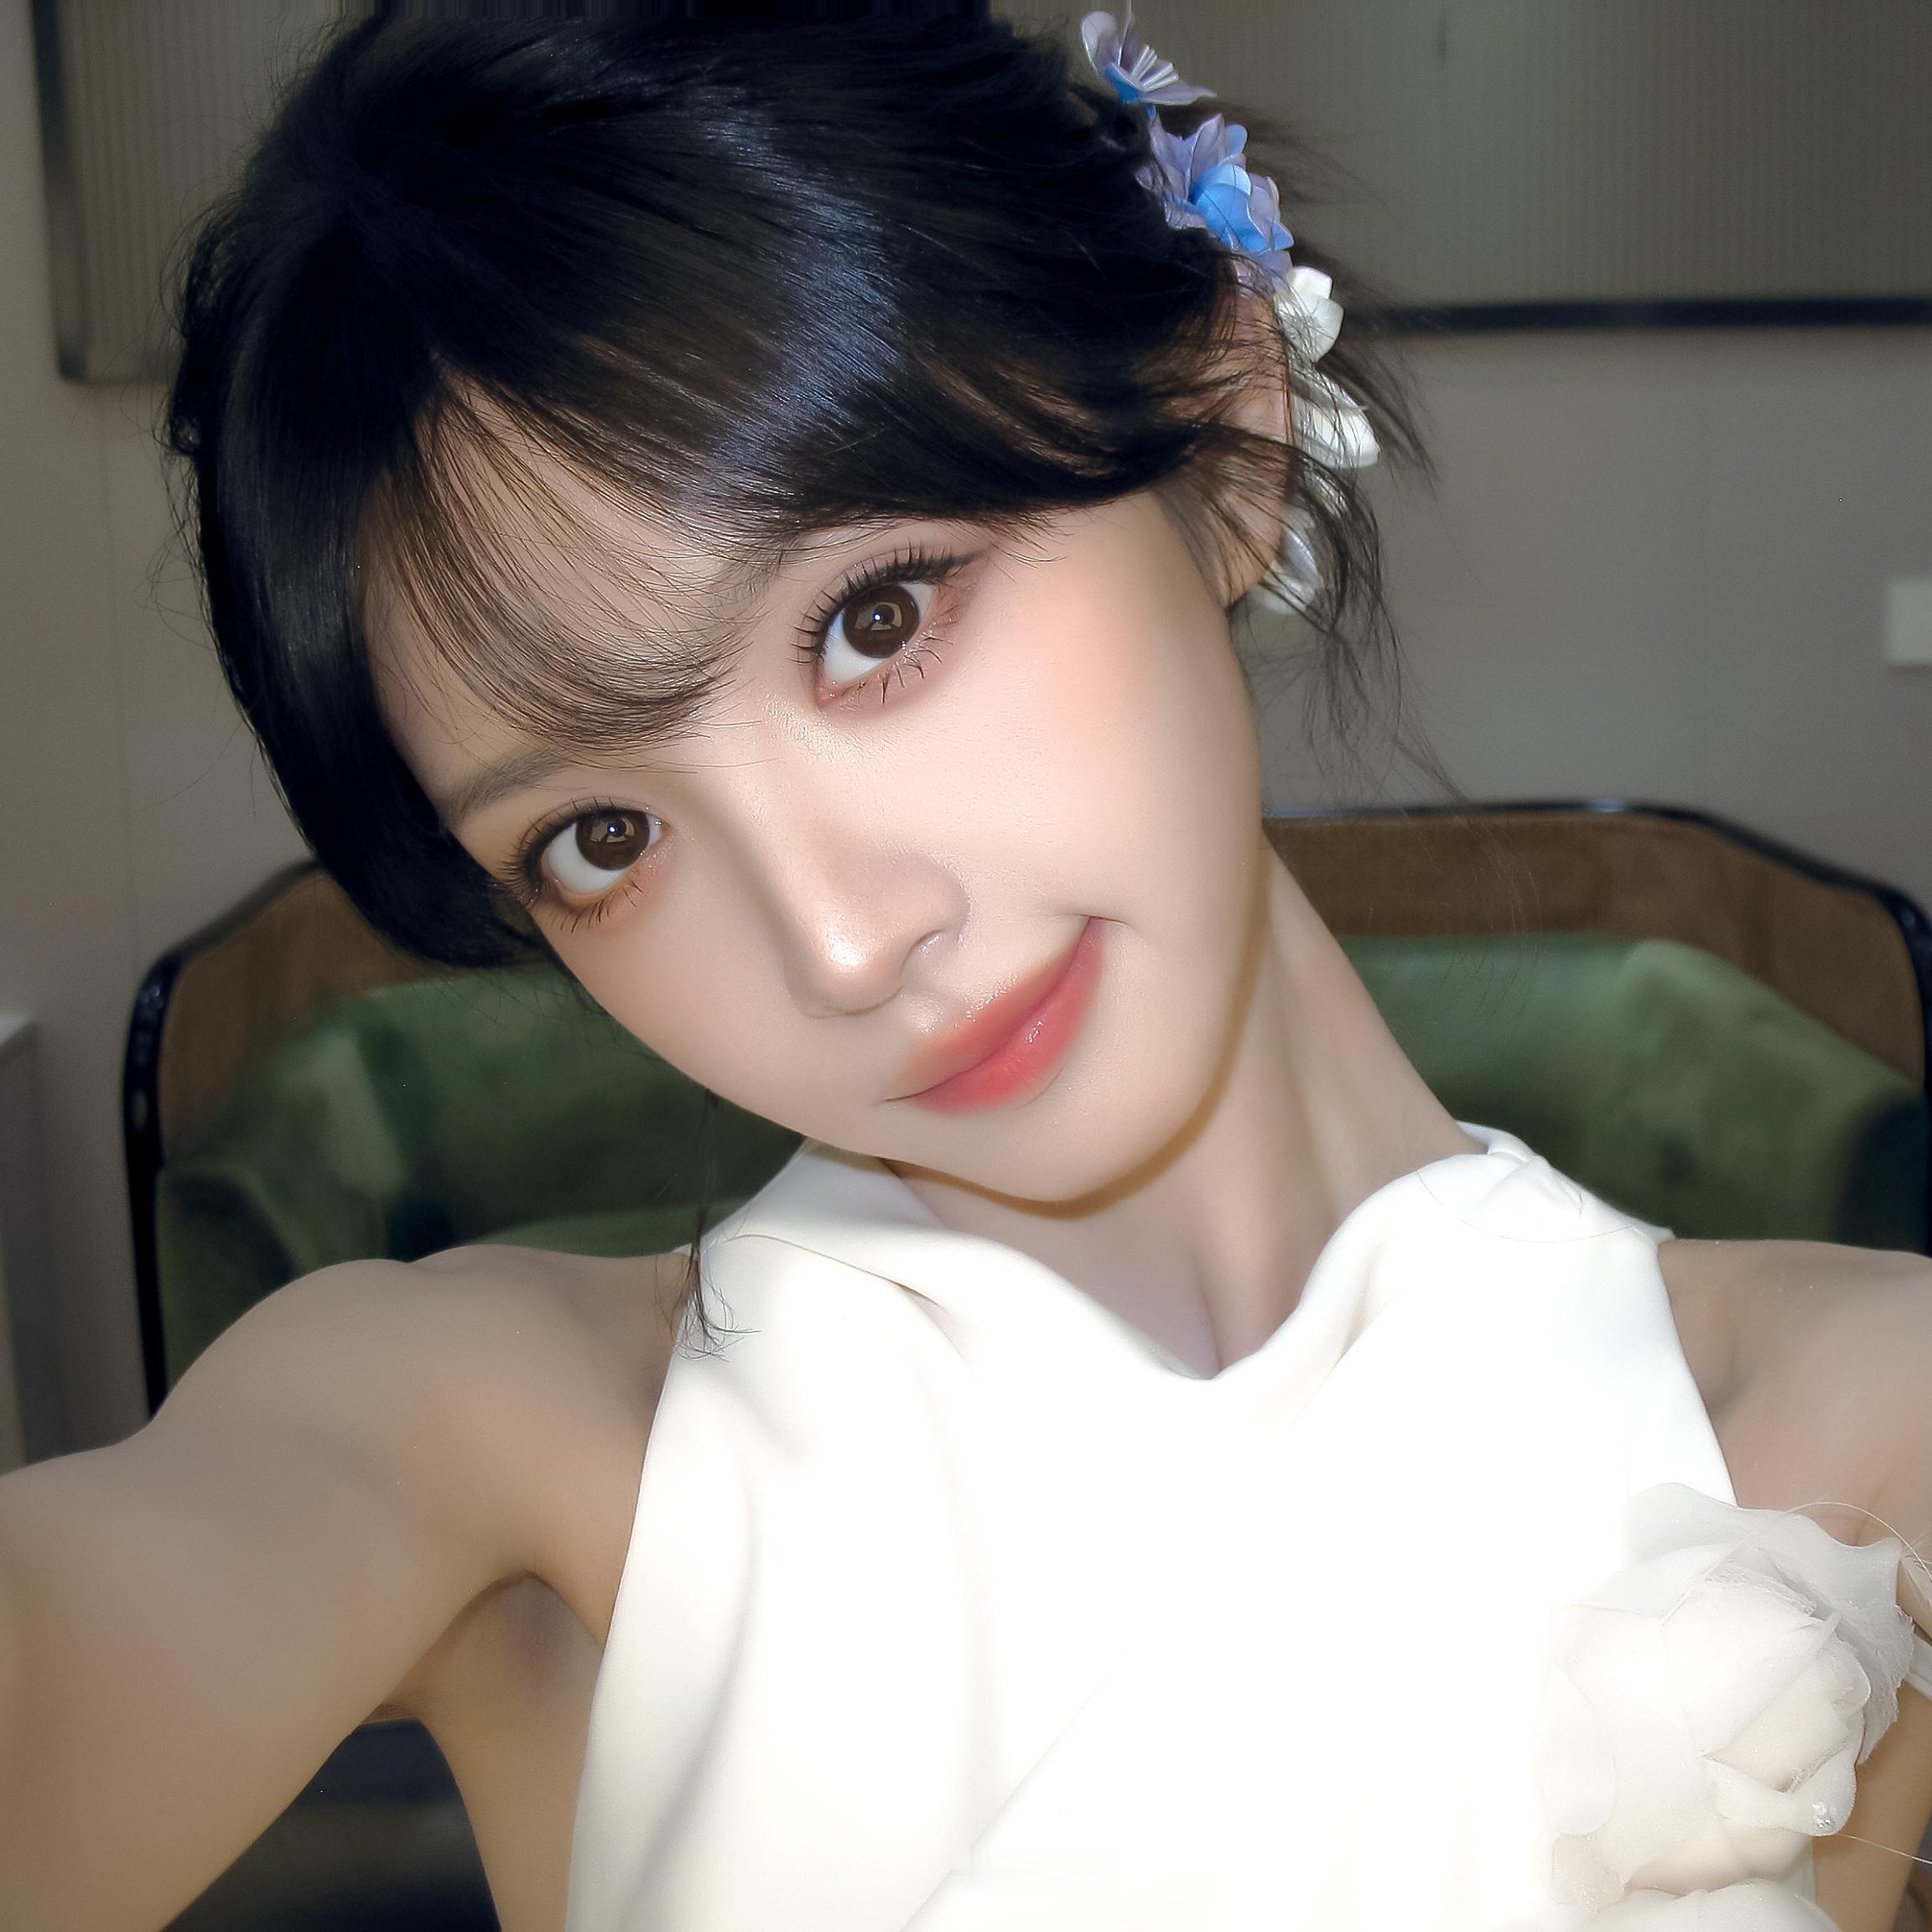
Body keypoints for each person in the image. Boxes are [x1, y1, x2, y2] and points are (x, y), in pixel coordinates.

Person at [3, 10, 1931, 1930]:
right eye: (603, 839)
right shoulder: (492, 1448)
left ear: (1230, 440)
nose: (844, 944)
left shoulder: (1866, 1434)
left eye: (876, 619)